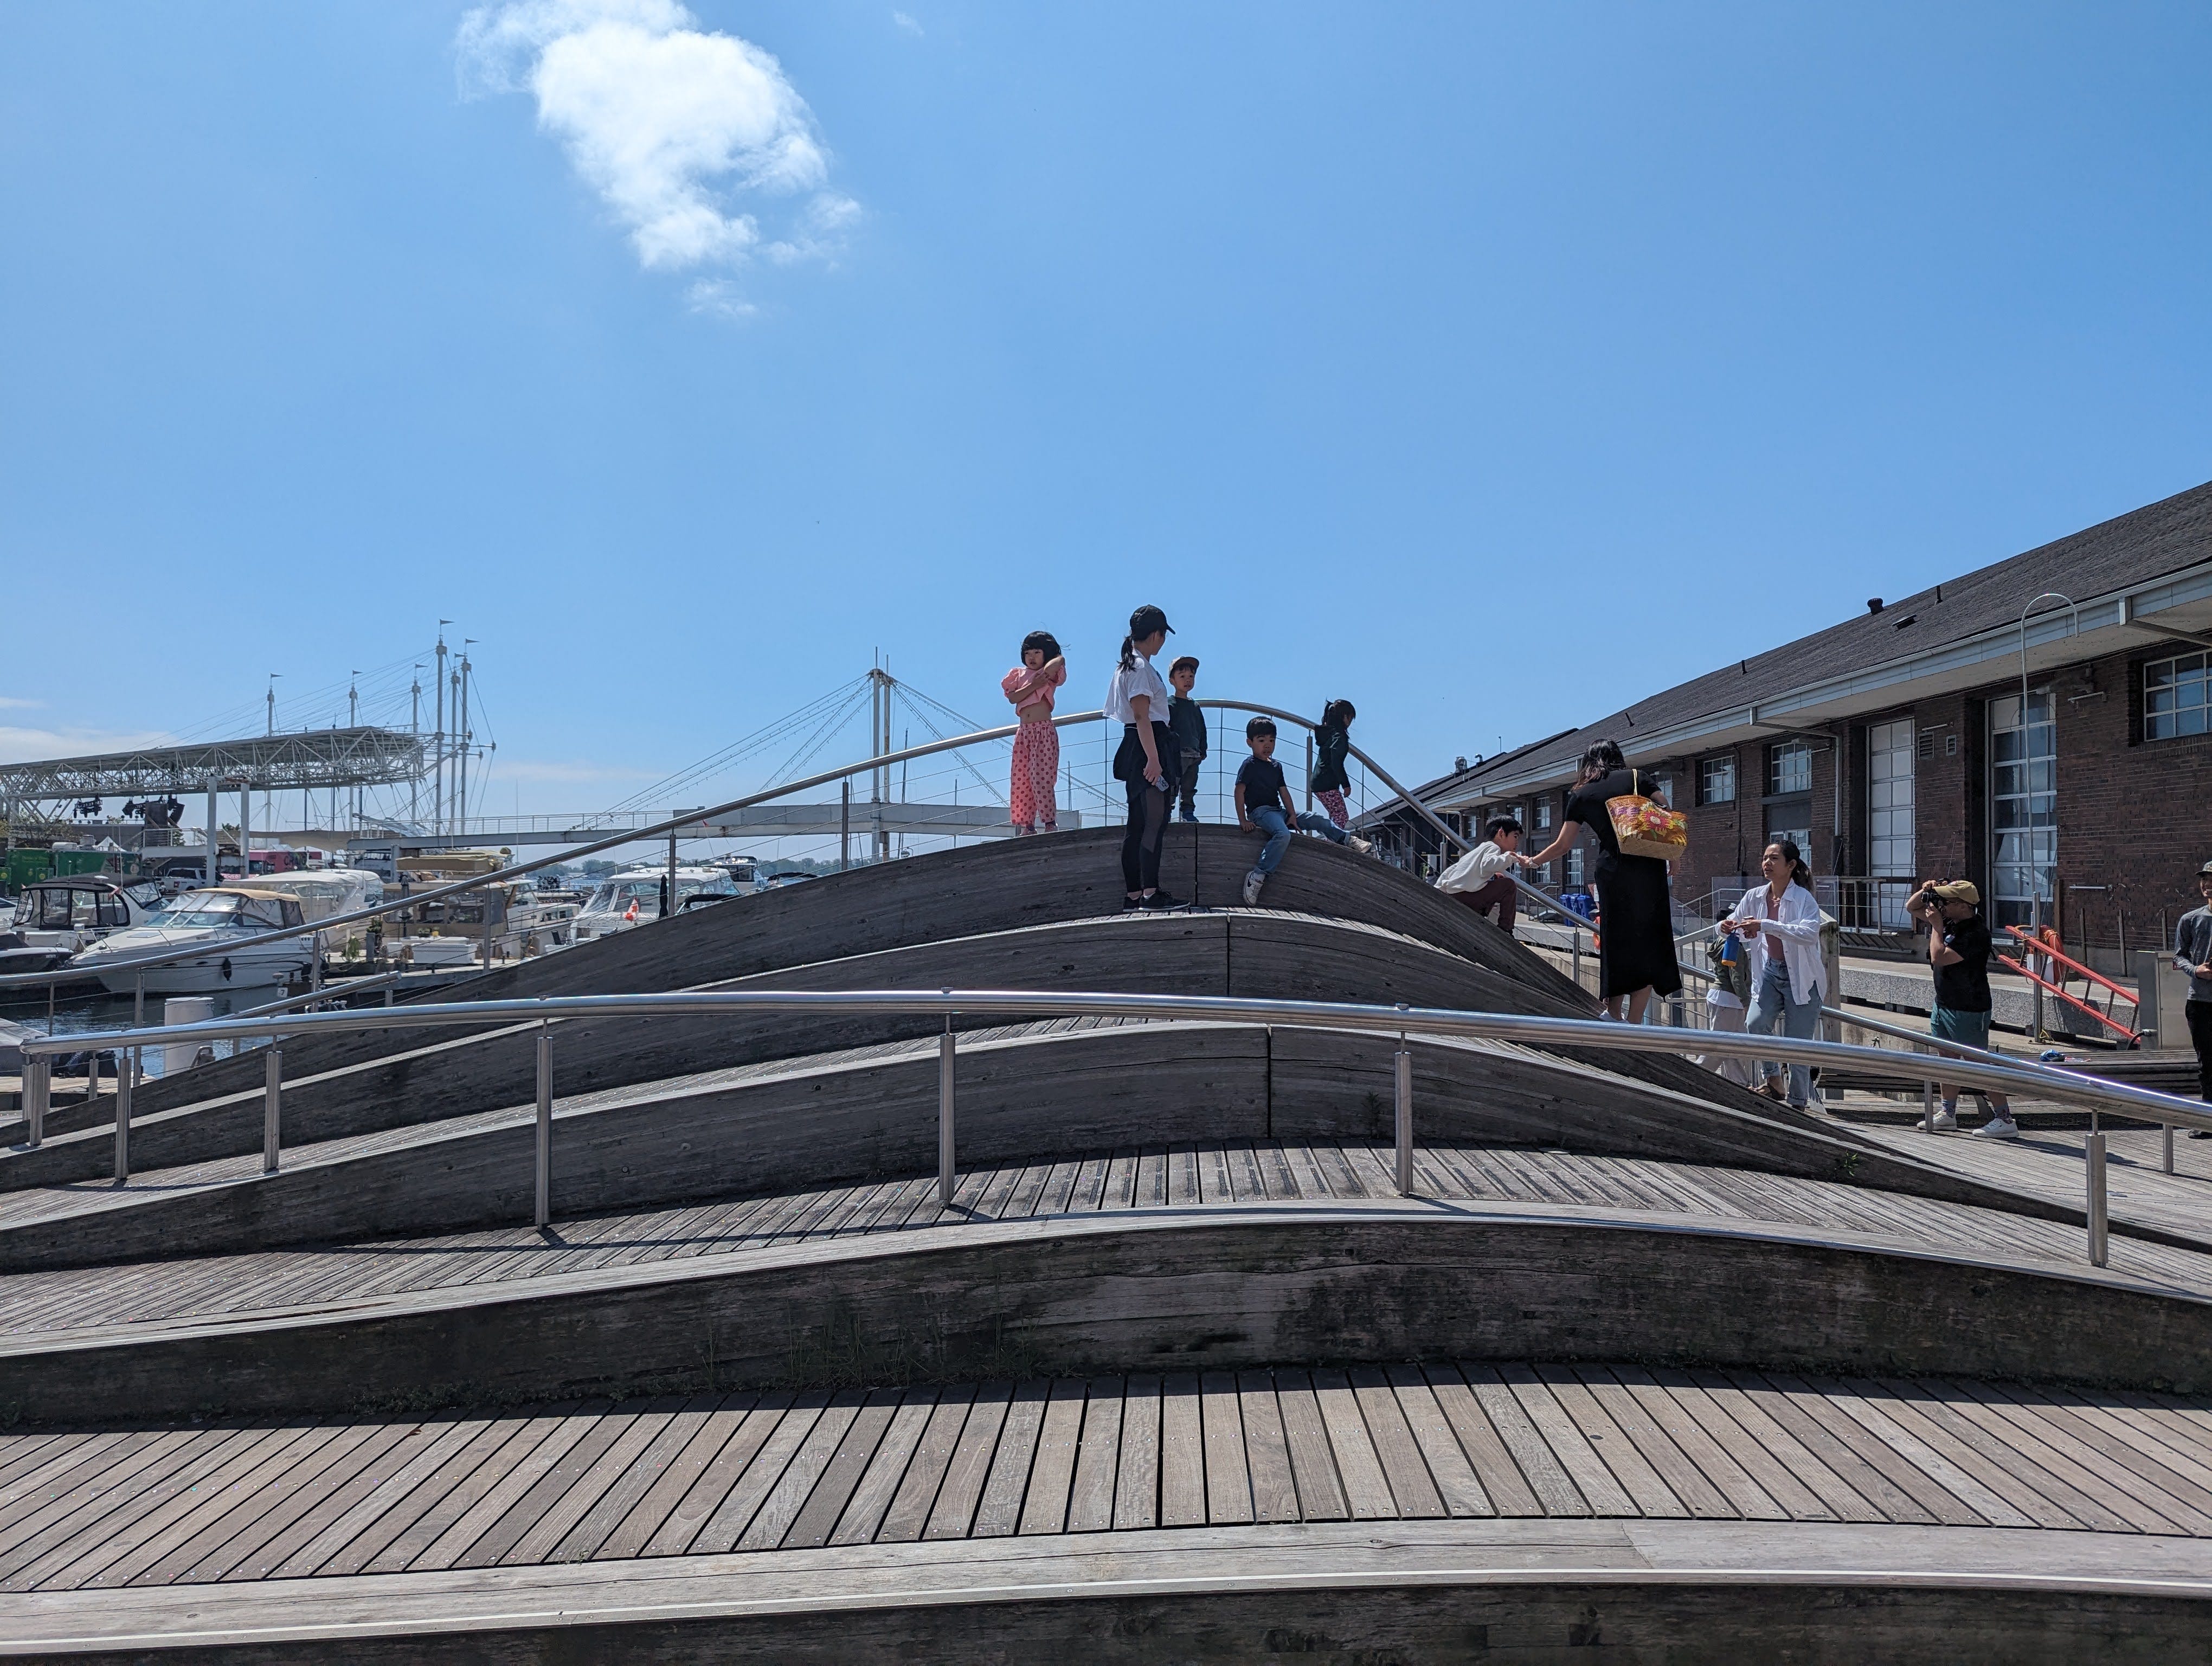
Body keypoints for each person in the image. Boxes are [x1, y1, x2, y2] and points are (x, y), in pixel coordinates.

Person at [1521, 740, 1682, 1021]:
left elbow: (1563, 845)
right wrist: (1673, 856)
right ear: (1617, 757)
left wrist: (1533, 862)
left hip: (1613, 871)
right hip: (1648, 867)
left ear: (1588, 762)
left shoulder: (1582, 794)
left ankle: (1613, 1013)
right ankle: (1635, 1022)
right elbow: (1666, 815)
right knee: (1649, 940)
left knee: (1616, 939)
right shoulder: (1637, 777)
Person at [1905, 877, 2014, 1137]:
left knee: (1979, 1062)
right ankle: (1948, 1113)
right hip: (1944, 1004)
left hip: (1969, 1008)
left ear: (1964, 906)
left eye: (1948, 901)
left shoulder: (1976, 933)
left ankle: (2005, 1119)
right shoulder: (1951, 922)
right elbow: (1912, 907)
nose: (1941, 905)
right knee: (1947, 1059)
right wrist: (1927, 890)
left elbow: (1939, 957)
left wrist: (1936, 927)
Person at [1725, 840, 1826, 1108]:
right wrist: (1727, 927)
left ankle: (1798, 1102)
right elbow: (1738, 925)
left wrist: (1765, 925)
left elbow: (1809, 934)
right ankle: (1773, 1080)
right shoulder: (1755, 896)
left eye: (1774, 858)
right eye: (1765, 858)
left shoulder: (1803, 898)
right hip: (1770, 971)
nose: (1767, 863)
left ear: (1791, 865)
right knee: (1755, 1023)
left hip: (1803, 978)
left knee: (1797, 1043)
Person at [1236, 717, 1361, 904]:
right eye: (1261, 741)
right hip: (1261, 812)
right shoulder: (1249, 765)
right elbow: (1239, 792)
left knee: (1315, 818)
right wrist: (1243, 820)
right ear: (1250, 743)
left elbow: (1284, 792)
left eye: (1272, 740)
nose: (1267, 745)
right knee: (1283, 834)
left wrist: (1293, 815)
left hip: (1278, 810)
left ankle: (1346, 839)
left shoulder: (1276, 766)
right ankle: (1258, 875)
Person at [1105, 604, 1181, 910]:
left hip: (1140, 743)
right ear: (1155, 635)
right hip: (1148, 744)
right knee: (1153, 822)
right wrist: (1154, 759)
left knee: (1138, 824)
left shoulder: (1130, 664)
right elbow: (1141, 716)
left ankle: (1135, 895)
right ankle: (1150, 894)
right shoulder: (1139, 667)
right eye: (1163, 635)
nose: (1163, 641)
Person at [1000, 630, 1066, 836]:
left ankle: (1049, 822)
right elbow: (1013, 698)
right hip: (1024, 733)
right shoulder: (1018, 674)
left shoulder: (1049, 674)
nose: (1032, 657)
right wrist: (1034, 685)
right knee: (1022, 779)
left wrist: (1055, 656)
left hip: (1043, 730)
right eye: (1028, 653)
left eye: (1037, 652)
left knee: (1042, 777)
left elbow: (1059, 662)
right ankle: (1027, 825)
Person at [1436, 816, 1530, 930]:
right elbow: (1488, 865)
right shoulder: (1494, 848)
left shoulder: (1479, 850)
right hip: (1466, 897)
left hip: (1454, 894)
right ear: (1501, 834)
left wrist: (1439, 889)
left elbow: (1452, 870)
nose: (1517, 842)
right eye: (1515, 836)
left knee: (1499, 877)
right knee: (1508, 885)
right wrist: (1513, 858)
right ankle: (1506, 928)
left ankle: (1485, 914)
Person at [2176, 861, 2212, 1137]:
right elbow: (2179, 955)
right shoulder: (2191, 919)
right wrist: (2196, 970)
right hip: (2200, 1002)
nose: (2207, 885)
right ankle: (2207, 1119)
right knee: (2207, 1063)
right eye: (2204, 880)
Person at [1700, 926, 1759, 1088]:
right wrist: (1746, 1002)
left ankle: (1738, 1082)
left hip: (1721, 997)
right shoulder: (1734, 945)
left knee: (1732, 1045)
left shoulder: (1721, 941)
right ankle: (1696, 1073)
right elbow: (1737, 977)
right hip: (1729, 999)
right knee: (1719, 1045)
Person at [1166, 656, 1207, 823]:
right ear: (1172, 680)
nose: (1187, 680)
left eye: (1191, 676)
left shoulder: (1195, 706)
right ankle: (1166, 812)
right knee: (1172, 785)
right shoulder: (1169, 704)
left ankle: (1188, 812)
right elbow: (1165, 729)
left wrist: (1203, 749)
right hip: (1176, 755)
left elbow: (1201, 729)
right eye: (1182, 676)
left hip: (1194, 754)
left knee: (1190, 786)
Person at [1311, 700, 1357, 828]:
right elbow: (1336, 763)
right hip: (1327, 783)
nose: (1350, 722)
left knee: (1336, 814)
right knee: (1341, 816)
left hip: (1319, 781)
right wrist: (1346, 785)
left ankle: (1331, 837)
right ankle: (1332, 839)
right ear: (1345, 717)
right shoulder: (1339, 737)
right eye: (1350, 718)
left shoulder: (1328, 734)